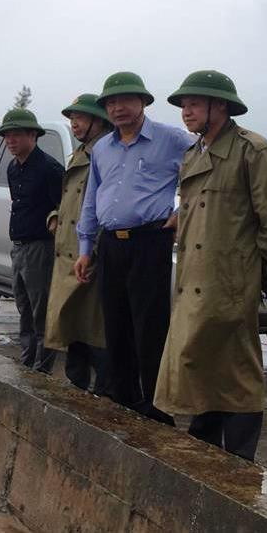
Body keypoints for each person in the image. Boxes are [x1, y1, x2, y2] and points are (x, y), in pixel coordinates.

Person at [154, 70, 267, 461]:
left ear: (221, 106)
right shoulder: (194, 152)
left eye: (195, 103)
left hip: (232, 279)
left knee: (239, 370)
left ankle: (241, 457)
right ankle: (205, 445)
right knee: (202, 360)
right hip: (196, 275)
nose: (186, 111)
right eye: (183, 105)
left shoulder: (253, 151)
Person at [74, 72, 195, 423]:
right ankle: (125, 402)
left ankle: (158, 408)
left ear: (143, 102)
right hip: (111, 244)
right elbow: (91, 199)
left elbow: (203, 175)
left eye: (126, 100)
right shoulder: (102, 149)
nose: (118, 107)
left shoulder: (172, 140)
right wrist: (85, 247)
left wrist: (179, 211)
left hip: (149, 242)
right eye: (111, 102)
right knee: (116, 325)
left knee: (150, 326)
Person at [44, 94, 113, 393]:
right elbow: (72, 200)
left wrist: (93, 250)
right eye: (72, 117)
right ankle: (77, 392)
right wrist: (56, 215)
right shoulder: (80, 154)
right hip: (70, 254)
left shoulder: (107, 152)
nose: (74, 122)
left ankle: (106, 397)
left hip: (90, 257)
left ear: (99, 121)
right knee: (73, 331)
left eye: (81, 117)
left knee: (95, 333)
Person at [0, 108, 65, 372]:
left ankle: (43, 366)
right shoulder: (13, 169)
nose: (10, 141)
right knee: (23, 306)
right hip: (19, 247)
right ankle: (27, 359)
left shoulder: (50, 169)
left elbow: (64, 207)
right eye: (6, 137)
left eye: (16, 135)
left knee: (41, 309)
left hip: (41, 248)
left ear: (32, 135)